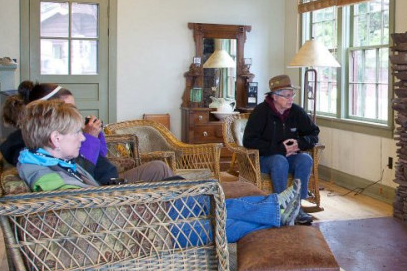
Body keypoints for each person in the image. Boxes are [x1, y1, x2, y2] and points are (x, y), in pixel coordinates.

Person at [15, 100, 302, 242]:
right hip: (134, 232)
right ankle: (274, 212)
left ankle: (274, 209)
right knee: (208, 219)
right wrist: (140, 201)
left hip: (131, 217)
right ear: (55, 139)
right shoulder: (47, 177)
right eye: (76, 133)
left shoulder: (45, 162)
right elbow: (88, 215)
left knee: (207, 206)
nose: (82, 138)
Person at [0, 81, 172, 184]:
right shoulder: (33, 144)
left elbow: (100, 157)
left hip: (105, 178)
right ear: (52, 110)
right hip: (104, 188)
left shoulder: (55, 138)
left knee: (160, 169)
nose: (75, 113)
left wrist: (95, 137)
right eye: (69, 108)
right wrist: (88, 138)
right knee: (162, 171)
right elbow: (82, 174)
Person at [242, 74, 319, 225]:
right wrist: (279, 149)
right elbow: (249, 141)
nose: (291, 99)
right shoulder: (261, 112)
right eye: (287, 96)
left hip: (290, 156)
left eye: (292, 95)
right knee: (279, 160)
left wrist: (299, 143)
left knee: (305, 159)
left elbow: (314, 133)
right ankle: (281, 206)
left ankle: (297, 206)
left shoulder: (296, 112)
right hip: (265, 158)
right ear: (275, 96)